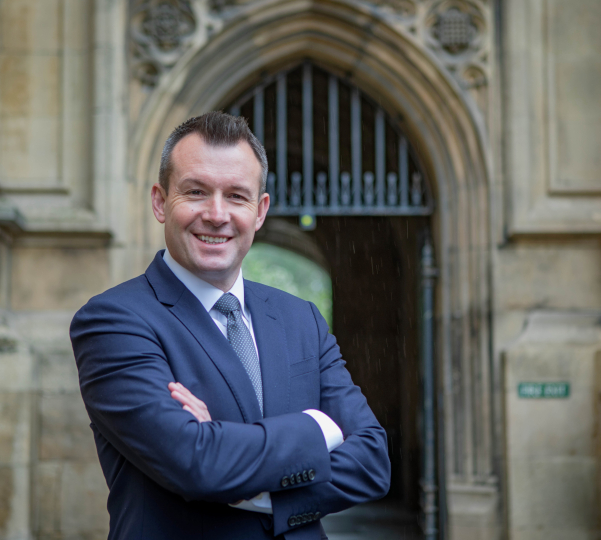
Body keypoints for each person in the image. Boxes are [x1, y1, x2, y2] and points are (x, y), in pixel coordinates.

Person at [70, 111, 390, 540]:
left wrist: (231, 463)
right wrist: (319, 427)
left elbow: (372, 461)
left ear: (259, 211)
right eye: (196, 192)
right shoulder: (114, 321)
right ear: (161, 202)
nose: (217, 214)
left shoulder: (301, 319)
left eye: (236, 196)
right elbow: (196, 464)